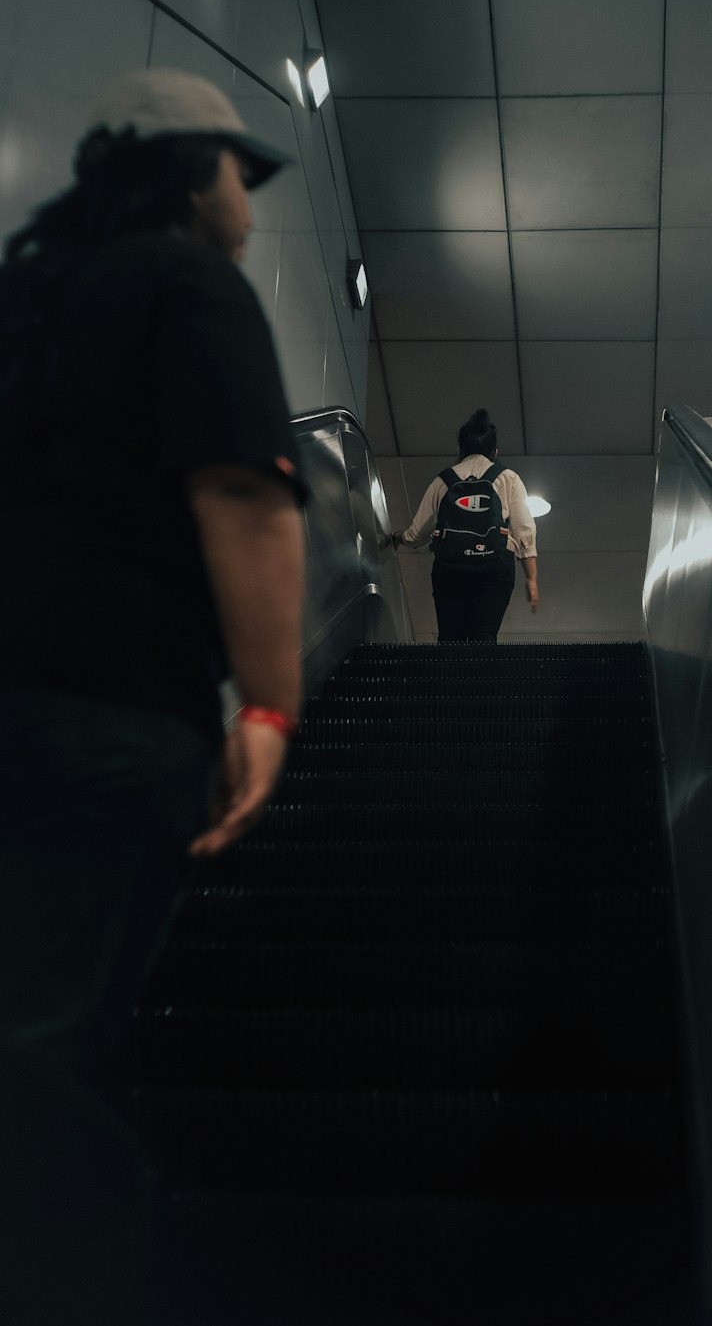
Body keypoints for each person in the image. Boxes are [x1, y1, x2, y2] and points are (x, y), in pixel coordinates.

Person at [0, 68, 307, 1324]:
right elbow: (241, 491)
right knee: (45, 1040)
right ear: (192, 176)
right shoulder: (190, 285)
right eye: (239, 172)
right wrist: (271, 709)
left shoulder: (21, 296)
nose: (246, 204)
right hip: (109, 709)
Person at [394, 407, 538, 642]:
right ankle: (481, 675)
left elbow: (417, 533)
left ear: (460, 450)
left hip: (450, 567)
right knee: (484, 636)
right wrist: (531, 578)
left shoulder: (443, 481)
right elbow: (524, 531)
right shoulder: (508, 478)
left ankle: (449, 677)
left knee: (450, 639)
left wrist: (398, 537)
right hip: (495, 568)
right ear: (495, 451)